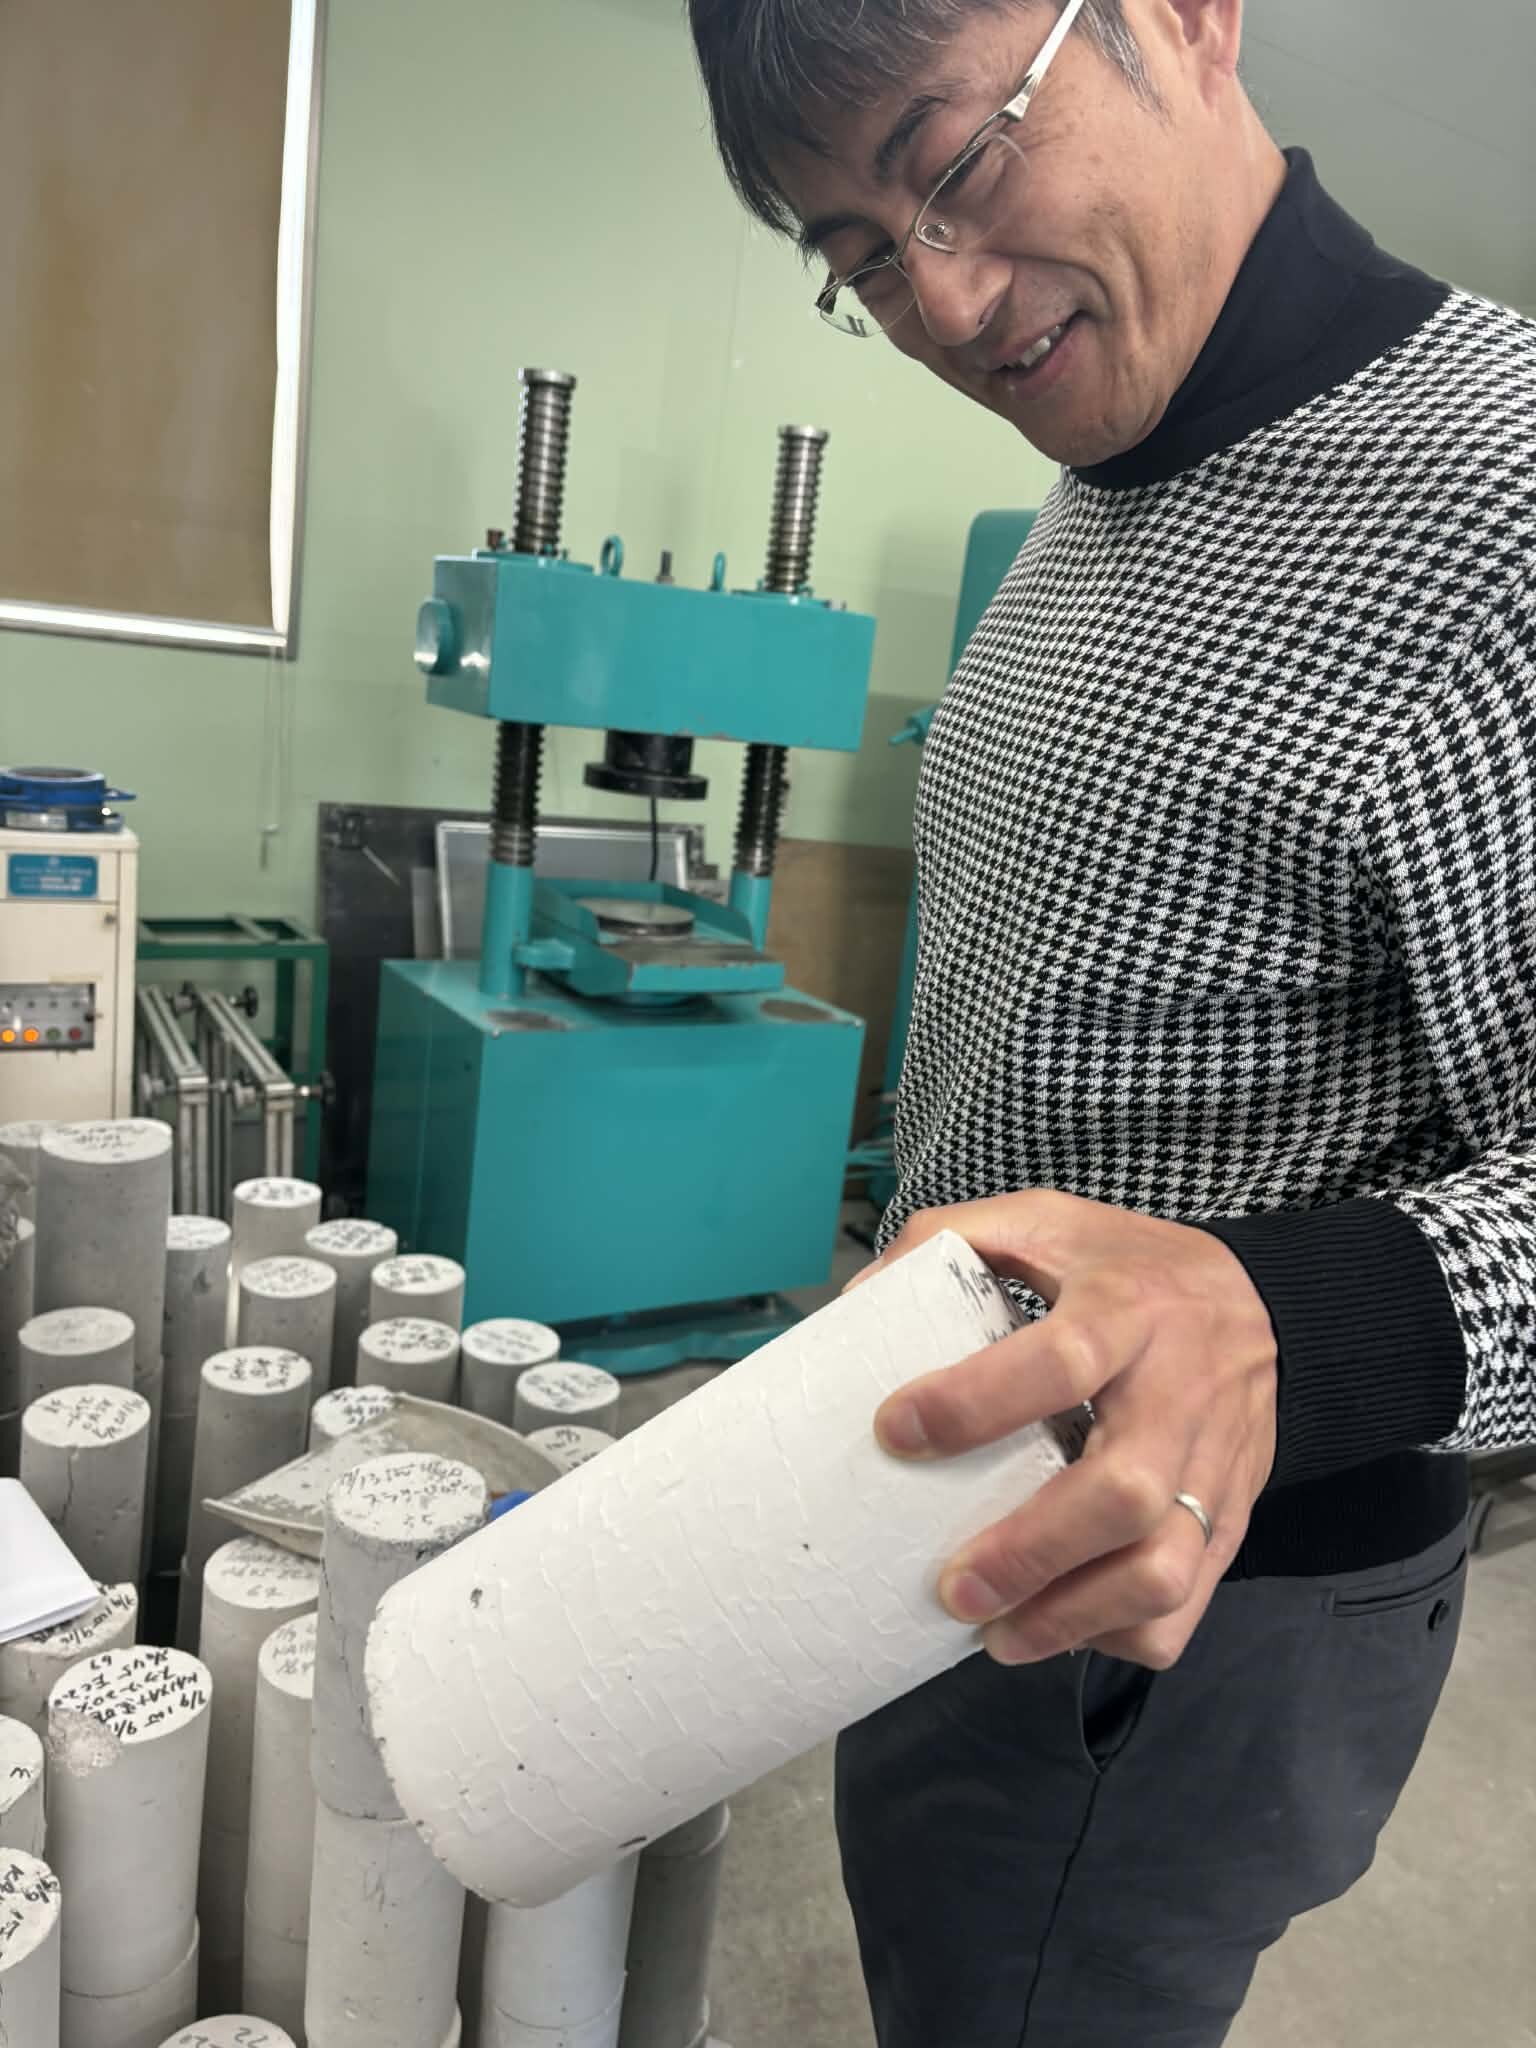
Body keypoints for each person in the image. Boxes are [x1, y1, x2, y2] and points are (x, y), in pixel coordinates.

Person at [684, 1, 1536, 2041]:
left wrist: (1283, 1320)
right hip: (962, 1495)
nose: (948, 303)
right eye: (860, 257)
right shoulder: (1105, 481)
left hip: (1191, 1601)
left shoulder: (1499, 504)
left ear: (1185, 16)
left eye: (961, 164)